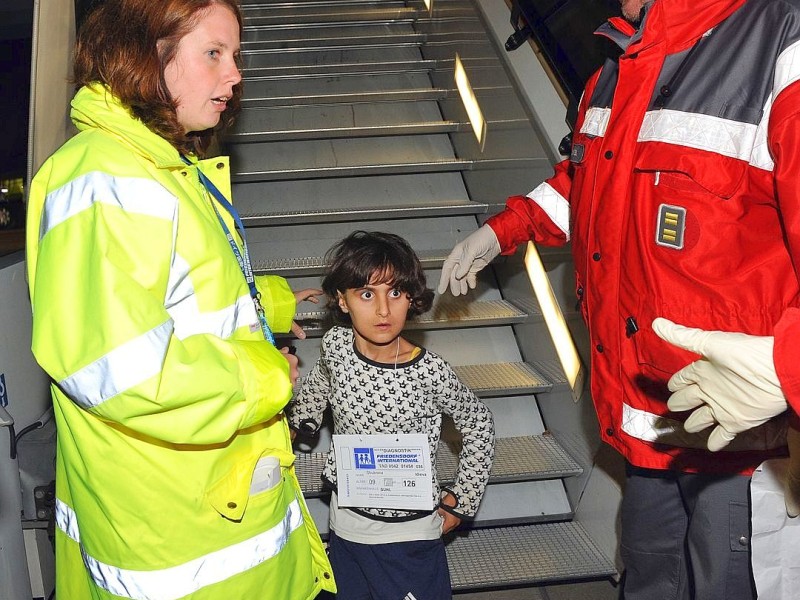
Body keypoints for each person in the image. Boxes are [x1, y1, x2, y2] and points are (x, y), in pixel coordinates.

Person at [438, 0, 800, 598]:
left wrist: (788, 367)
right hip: (644, 427)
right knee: (648, 579)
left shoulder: (778, 39)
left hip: (741, 445)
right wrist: (505, 229)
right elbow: (588, 179)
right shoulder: (617, 61)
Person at [25, 0, 334, 598]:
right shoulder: (107, 179)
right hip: (183, 542)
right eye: (214, 53)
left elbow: (179, 291)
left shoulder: (156, 164)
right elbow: (125, 370)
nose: (235, 75)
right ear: (146, 55)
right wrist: (267, 377)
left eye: (236, 56)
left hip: (202, 518)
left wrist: (265, 304)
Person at [288, 230, 495, 600]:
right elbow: (321, 379)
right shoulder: (336, 344)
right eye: (367, 294)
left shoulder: (431, 372)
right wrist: (303, 418)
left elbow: (479, 423)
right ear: (343, 300)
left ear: (411, 298)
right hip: (346, 528)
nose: (383, 310)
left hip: (410, 537)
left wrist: (462, 500)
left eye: (395, 293)